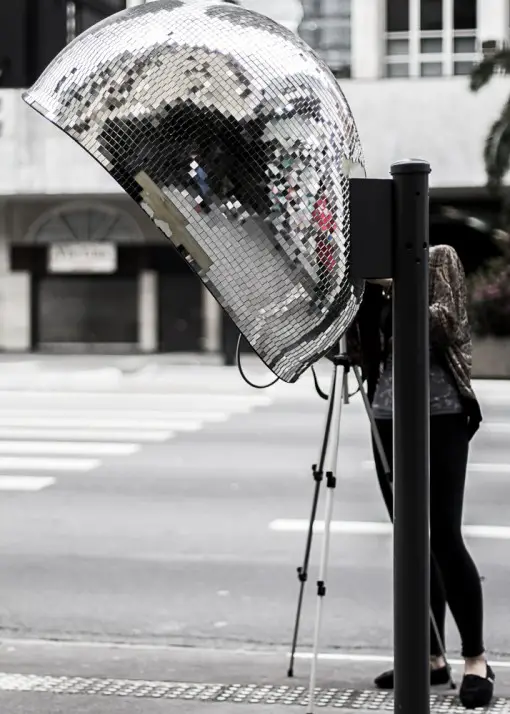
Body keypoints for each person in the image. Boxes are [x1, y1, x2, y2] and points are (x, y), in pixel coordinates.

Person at [346, 244, 494, 710]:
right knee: (411, 539)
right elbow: (360, 343)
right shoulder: (364, 273)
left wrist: (394, 289)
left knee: (445, 535)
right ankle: (429, 656)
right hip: (386, 412)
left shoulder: (438, 257)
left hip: (441, 411)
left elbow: (446, 322)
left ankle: (476, 659)